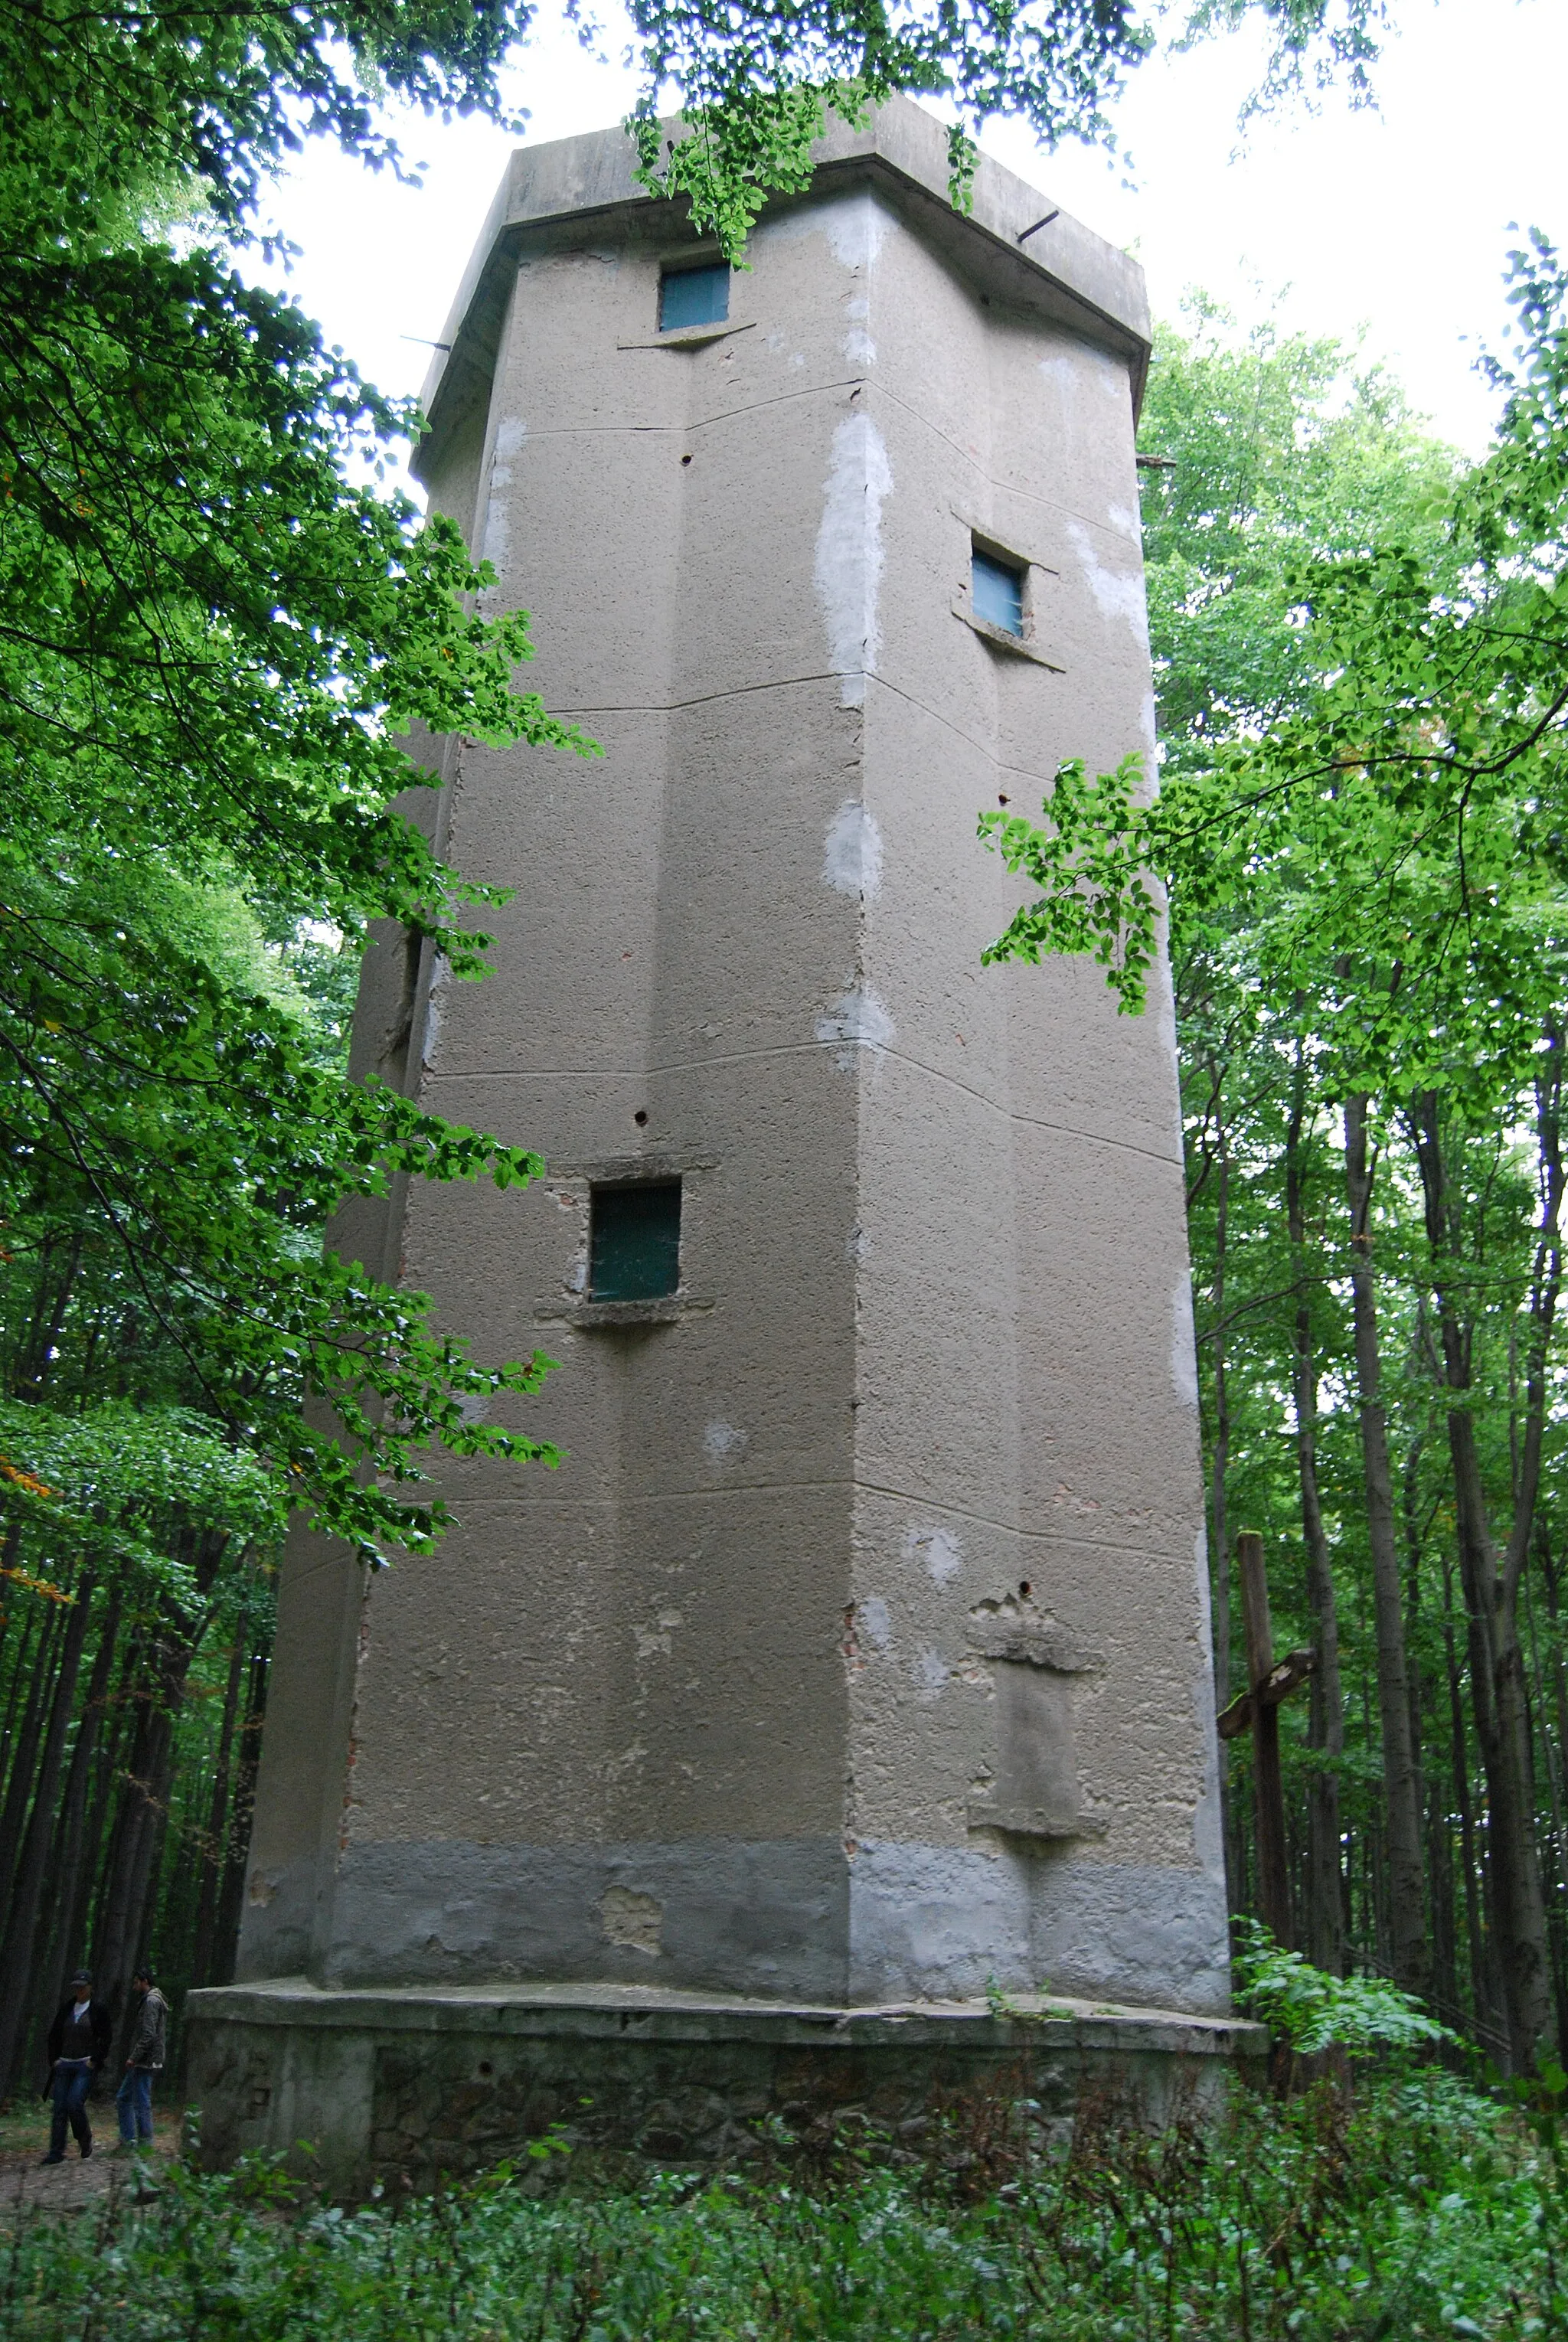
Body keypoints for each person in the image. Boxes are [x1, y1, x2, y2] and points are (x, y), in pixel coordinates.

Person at [41, 1969, 112, 2164]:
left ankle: (84, 2137)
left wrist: (94, 2061)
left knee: (74, 2102)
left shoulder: (98, 2010)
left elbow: (106, 2038)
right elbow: (54, 2035)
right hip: (64, 2064)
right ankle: (56, 2152)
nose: (79, 1990)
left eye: (83, 1987)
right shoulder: (66, 2009)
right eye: (77, 1987)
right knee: (59, 2108)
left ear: (90, 1988)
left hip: (85, 2065)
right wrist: (54, 2060)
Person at [113, 1966, 168, 2154]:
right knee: (124, 2098)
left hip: (146, 2060)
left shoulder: (152, 2001)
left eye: (136, 1982)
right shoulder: (151, 2000)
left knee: (141, 2101)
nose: (134, 1986)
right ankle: (129, 2141)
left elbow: (148, 2034)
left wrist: (134, 2057)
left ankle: (145, 2144)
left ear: (145, 1981)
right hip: (144, 2059)